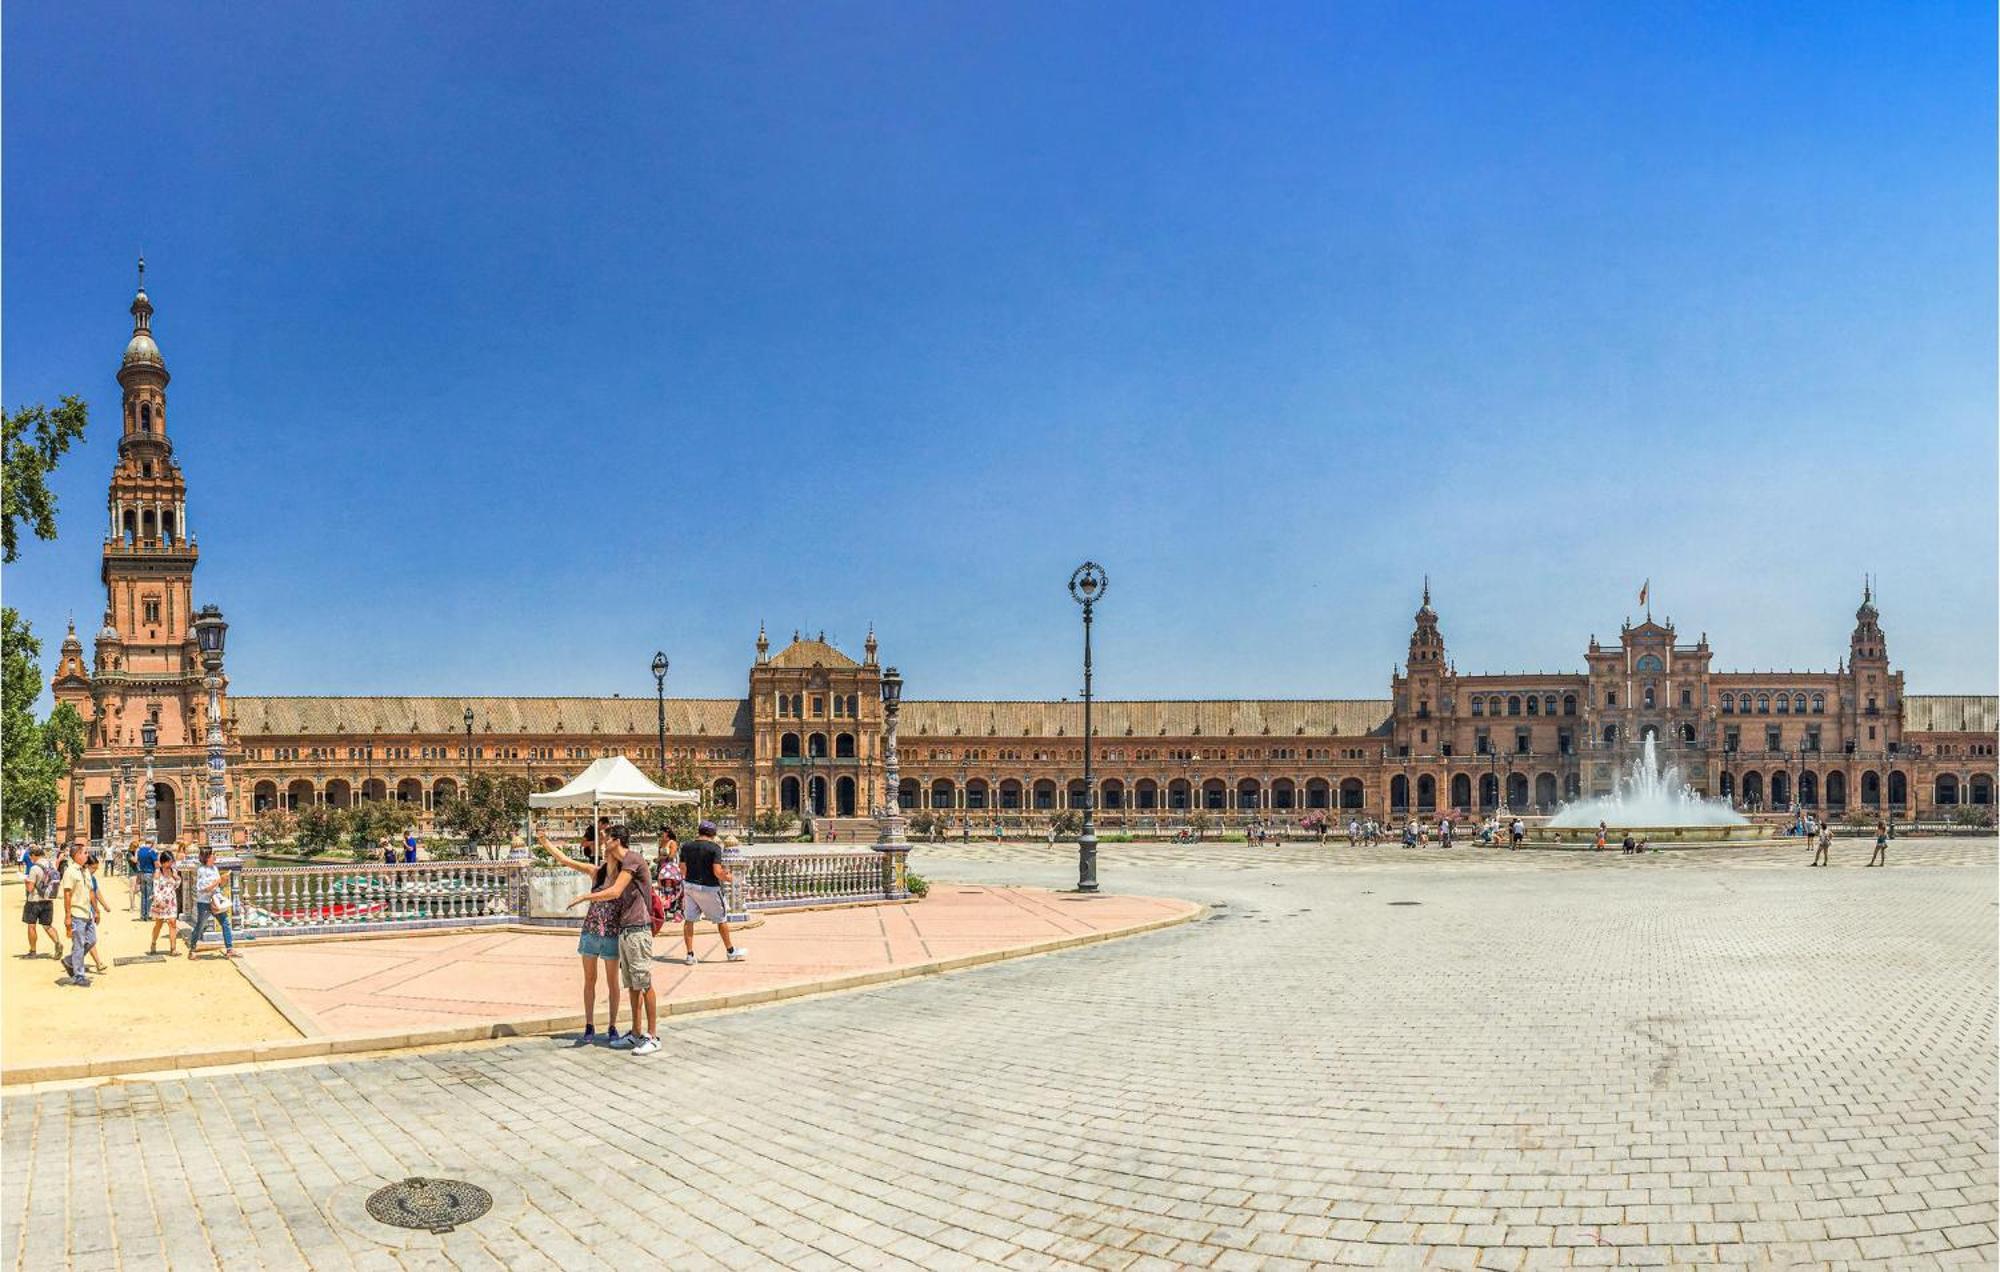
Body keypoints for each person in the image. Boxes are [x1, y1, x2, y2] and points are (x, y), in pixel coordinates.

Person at [568, 826, 660, 1056]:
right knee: (632, 985)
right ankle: (635, 1033)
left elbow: (615, 891)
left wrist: (584, 896)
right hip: (626, 930)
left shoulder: (633, 859)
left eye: (606, 839)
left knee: (644, 982)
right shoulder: (620, 865)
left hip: (639, 929)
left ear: (616, 840)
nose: (602, 842)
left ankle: (652, 1036)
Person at [541, 824, 624, 1044]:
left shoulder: (625, 875)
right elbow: (566, 861)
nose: (605, 851)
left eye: (608, 848)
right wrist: (545, 843)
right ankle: (589, 1024)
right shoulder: (596, 872)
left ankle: (613, 1025)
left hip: (612, 933)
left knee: (613, 981)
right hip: (591, 931)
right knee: (590, 980)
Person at [680, 820, 744, 964]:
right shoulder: (714, 848)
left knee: (689, 920)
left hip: (690, 886)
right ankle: (731, 951)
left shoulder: (686, 846)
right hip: (708, 888)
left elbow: (682, 869)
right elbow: (717, 872)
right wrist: (729, 877)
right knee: (721, 919)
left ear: (699, 831)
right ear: (713, 834)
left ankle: (690, 955)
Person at [187, 847, 237, 959]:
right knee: (200, 925)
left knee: (225, 923)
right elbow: (204, 888)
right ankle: (192, 949)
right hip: (204, 902)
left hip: (215, 900)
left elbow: (218, 885)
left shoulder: (214, 868)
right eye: (212, 855)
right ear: (207, 857)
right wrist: (218, 881)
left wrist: (224, 879)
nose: (215, 856)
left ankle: (229, 948)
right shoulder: (201, 870)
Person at [60, 844, 96, 986]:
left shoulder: (85, 871)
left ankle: (70, 960)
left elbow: (91, 891)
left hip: (87, 912)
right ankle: (78, 975)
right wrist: (68, 916)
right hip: (76, 913)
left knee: (92, 940)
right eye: (85, 853)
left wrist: (96, 910)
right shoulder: (70, 872)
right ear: (77, 855)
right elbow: (67, 894)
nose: (87, 855)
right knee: (79, 944)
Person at [20, 847, 63, 959]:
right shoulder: (51, 864)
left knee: (31, 926)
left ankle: (33, 952)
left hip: (34, 900)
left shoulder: (34, 868)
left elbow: (30, 888)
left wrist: (25, 880)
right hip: (48, 899)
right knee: (47, 926)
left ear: (34, 855)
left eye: (30, 856)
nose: (30, 858)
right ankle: (58, 943)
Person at [148, 849, 183, 955]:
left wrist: (177, 879)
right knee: (159, 924)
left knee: (172, 923)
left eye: (171, 861)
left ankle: (173, 948)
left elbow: (177, 884)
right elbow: (155, 888)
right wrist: (159, 901)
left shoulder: (173, 871)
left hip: (171, 901)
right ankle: (153, 942)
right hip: (161, 902)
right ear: (163, 862)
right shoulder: (158, 872)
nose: (171, 863)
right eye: (169, 861)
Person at [134, 839, 158, 914]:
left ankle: (142, 914)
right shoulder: (151, 851)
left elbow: (137, 862)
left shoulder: (140, 851)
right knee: (149, 894)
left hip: (141, 873)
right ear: (152, 843)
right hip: (149, 873)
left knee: (143, 895)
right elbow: (156, 864)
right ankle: (147, 913)